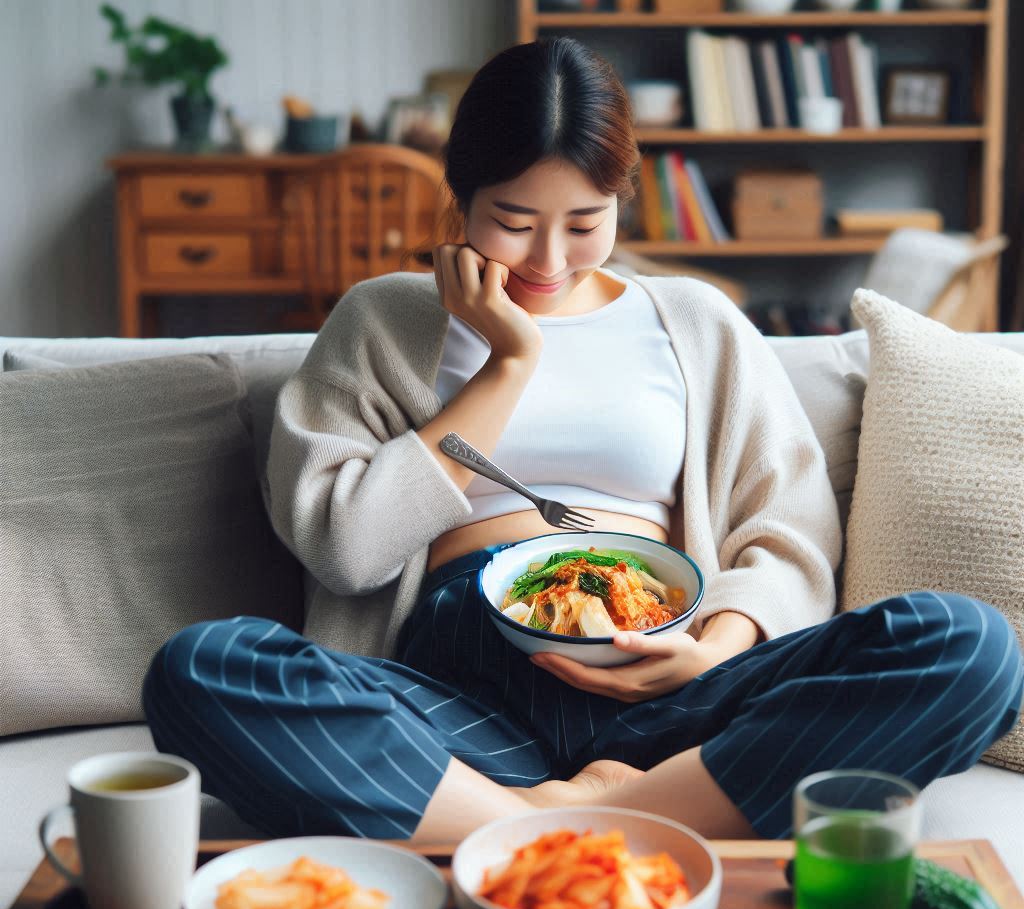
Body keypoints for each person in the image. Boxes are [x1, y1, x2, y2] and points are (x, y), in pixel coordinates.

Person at [142, 38, 1022, 845]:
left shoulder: (694, 321)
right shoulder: (381, 320)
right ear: (461, 195)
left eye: (585, 221)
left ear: (622, 199)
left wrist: (716, 643)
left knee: (970, 646)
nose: (549, 262)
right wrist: (507, 364)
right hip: (458, 696)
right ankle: (617, 824)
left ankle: (536, 826)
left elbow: (786, 525)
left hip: (673, 684)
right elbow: (348, 550)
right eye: (514, 220)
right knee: (203, 669)